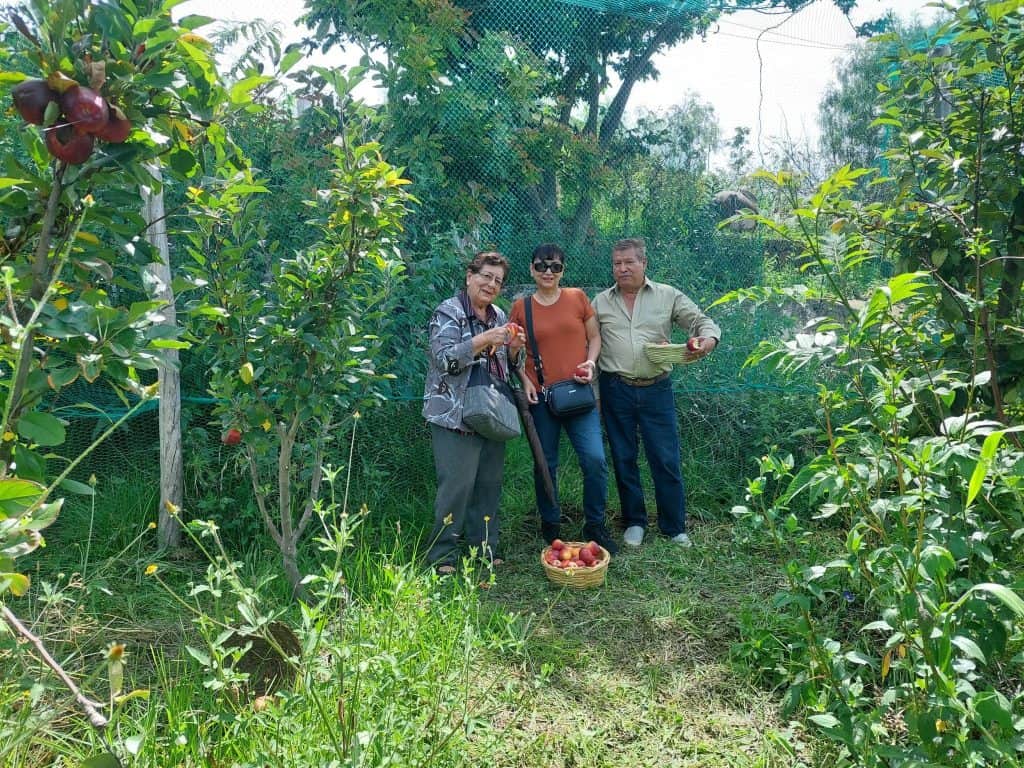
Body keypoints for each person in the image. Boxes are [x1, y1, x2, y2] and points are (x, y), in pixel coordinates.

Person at [592, 237, 720, 548]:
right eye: (617, 263)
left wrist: (707, 340)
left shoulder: (667, 295)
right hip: (615, 387)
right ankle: (635, 521)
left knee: (665, 457)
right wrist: (595, 393)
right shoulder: (600, 302)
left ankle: (673, 526)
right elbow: (590, 345)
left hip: (656, 389)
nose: (622, 268)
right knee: (623, 457)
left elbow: (701, 322)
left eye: (629, 262)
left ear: (644, 263)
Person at [509, 244, 619, 555]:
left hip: (578, 394)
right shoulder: (521, 307)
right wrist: (524, 378)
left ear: (563, 271)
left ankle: (595, 524)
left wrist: (591, 363)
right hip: (542, 398)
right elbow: (512, 355)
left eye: (555, 266)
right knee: (545, 464)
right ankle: (550, 523)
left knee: (595, 459)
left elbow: (594, 337)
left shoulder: (577, 298)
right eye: (541, 266)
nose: (548, 272)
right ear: (531, 269)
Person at [422, 251, 526, 574]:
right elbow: (445, 360)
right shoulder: (448, 311)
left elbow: (507, 366)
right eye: (486, 276)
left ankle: (483, 548)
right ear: (470, 276)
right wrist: (484, 339)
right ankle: (442, 555)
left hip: (491, 410)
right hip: (454, 414)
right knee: (457, 486)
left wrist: (514, 350)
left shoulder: (499, 314)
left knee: (489, 485)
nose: (491, 284)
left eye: (498, 281)